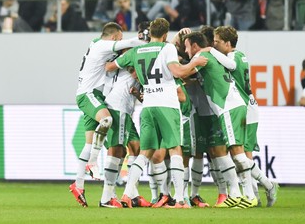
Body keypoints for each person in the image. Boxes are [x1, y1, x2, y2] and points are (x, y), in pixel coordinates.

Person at [105, 18, 207, 208]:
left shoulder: (136, 51)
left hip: (148, 106)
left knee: (145, 153)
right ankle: (179, 199)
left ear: (150, 32)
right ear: (165, 34)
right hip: (167, 105)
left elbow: (110, 67)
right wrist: (196, 63)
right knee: (175, 149)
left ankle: (127, 194)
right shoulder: (167, 48)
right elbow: (178, 72)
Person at [69, 22, 145, 207]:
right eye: (119, 38)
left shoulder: (96, 43)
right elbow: (127, 44)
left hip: (94, 94)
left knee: (89, 143)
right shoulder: (103, 45)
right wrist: (146, 40)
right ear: (113, 37)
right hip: (89, 94)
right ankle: (93, 164)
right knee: (107, 119)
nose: (121, 41)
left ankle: (78, 184)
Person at [184, 31, 257, 208]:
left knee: (238, 154)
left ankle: (249, 195)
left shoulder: (202, 55)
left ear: (194, 46)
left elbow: (182, 73)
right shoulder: (210, 56)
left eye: (186, 47)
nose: (186, 52)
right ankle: (239, 194)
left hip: (228, 107)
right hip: (233, 106)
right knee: (236, 152)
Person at [210, 26, 280, 207]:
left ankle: (264, 186)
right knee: (242, 155)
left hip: (245, 107)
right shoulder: (241, 55)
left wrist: (209, 50)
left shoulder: (231, 58)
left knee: (243, 155)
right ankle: (256, 193)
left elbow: (230, 66)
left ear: (227, 43)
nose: (214, 44)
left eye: (217, 41)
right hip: (249, 105)